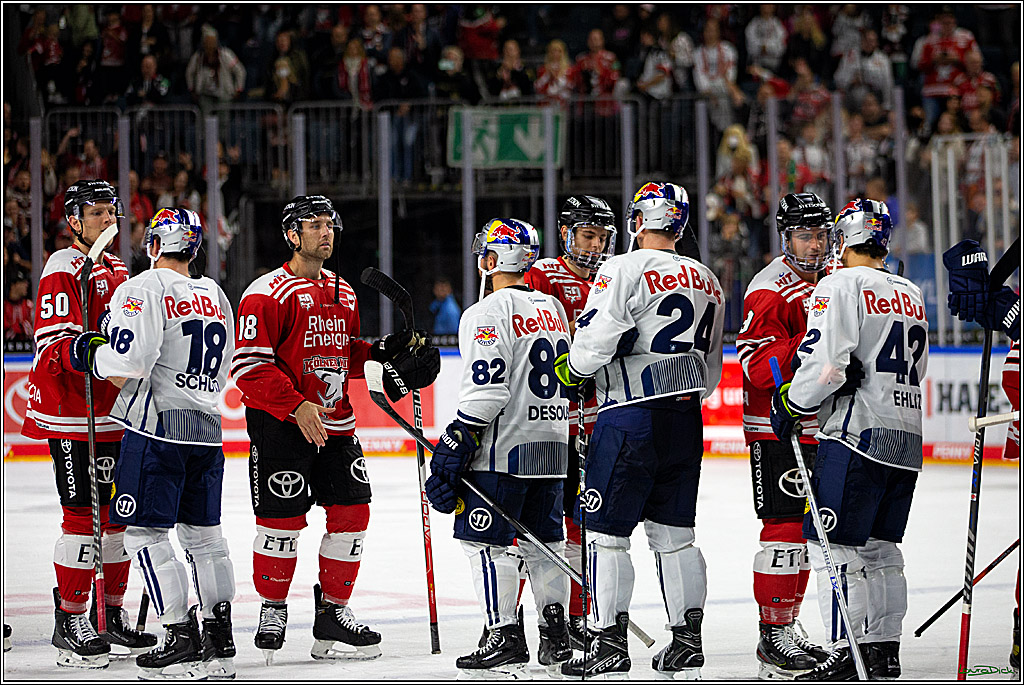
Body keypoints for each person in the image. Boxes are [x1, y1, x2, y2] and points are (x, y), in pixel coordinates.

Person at [230, 195, 440, 664]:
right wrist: (296, 405)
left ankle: (333, 613)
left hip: (337, 424)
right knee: (281, 523)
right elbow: (249, 367)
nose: (326, 232)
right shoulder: (265, 293)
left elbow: (345, 354)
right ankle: (273, 607)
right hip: (281, 425)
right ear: (292, 234)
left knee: (353, 514)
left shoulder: (343, 292)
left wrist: (383, 351)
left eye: (329, 224)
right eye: (315, 225)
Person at [554, 182, 725, 679]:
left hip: (629, 415)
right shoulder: (707, 279)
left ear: (636, 222)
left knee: (605, 536)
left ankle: (607, 643)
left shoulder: (623, 267)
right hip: (685, 418)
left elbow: (595, 341)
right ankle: (687, 643)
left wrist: (574, 369)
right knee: (676, 537)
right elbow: (713, 367)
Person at [72, 208, 237, 679]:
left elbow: (131, 361)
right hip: (207, 428)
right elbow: (224, 360)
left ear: (155, 245)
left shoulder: (142, 286)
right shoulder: (215, 294)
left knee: (144, 535)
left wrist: (91, 352)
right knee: (205, 539)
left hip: (156, 430)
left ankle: (179, 636)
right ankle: (219, 640)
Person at [771, 199, 928, 680]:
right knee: (882, 550)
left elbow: (827, 363)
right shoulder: (910, 291)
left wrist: (793, 403)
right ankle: (883, 649)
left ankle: (846, 651)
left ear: (843, 238)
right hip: (905, 435)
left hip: (856, 435)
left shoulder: (839, 283)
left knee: (831, 548)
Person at [423, 218, 573, 678]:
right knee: (545, 544)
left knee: (483, 543)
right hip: (553, 445)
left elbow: (487, 392)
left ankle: (503, 634)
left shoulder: (485, 312)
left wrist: (456, 441)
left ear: (491, 260)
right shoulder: (552, 307)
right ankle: (556, 635)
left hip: (504, 450)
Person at [20, 180, 157, 668]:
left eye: (111, 211)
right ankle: (71, 619)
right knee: (83, 518)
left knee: (117, 519)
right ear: (74, 220)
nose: (107, 219)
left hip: (113, 411)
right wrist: (90, 348)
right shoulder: (63, 265)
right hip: (73, 413)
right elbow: (52, 343)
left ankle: (110, 614)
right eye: (96, 212)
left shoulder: (118, 269)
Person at [736, 193, 833, 679]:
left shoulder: (835, 279)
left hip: (822, 426)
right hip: (776, 425)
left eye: (821, 235)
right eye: (805, 236)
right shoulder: (769, 289)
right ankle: (772, 635)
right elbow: (755, 365)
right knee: (785, 531)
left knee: (811, 532)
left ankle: (789, 626)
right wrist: (810, 340)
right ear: (785, 238)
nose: (815, 245)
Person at [524, 196, 616, 648]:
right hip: (546, 422)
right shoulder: (542, 274)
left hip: (594, 423)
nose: (594, 245)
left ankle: (578, 615)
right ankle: (518, 621)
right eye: (587, 235)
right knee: (534, 525)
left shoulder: (614, 276)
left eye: (601, 237)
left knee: (585, 525)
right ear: (566, 234)